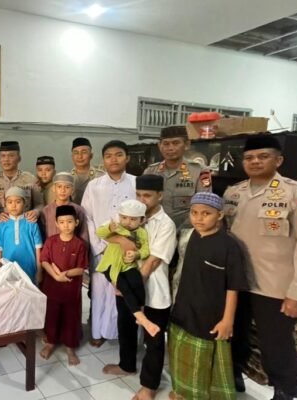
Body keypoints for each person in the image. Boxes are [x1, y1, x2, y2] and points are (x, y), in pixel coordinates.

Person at [223, 134, 297, 400]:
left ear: (278, 160)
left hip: (275, 284)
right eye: (249, 157)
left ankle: (286, 389)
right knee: (235, 333)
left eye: (263, 156)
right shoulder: (234, 193)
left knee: (276, 341)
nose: (255, 161)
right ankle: (234, 374)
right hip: (237, 280)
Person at [103, 175, 177, 400]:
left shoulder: (165, 224)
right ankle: (126, 365)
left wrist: (131, 287)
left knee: (153, 339)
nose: (141, 200)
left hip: (153, 290)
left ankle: (149, 386)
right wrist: (118, 280)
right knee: (125, 326)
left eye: (147, 195)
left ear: (160, 196)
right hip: (124, 284)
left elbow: (153, 261)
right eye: (138, 195)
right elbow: (110, 239)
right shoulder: (130, 217)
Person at [169, 193, 248, 400]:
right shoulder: (188, 237)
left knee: (202, 363)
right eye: (194, 213)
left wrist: (227, 320)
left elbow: (233, 287)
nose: (199, 218)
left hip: (210, 317)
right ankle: (181, 392)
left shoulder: (229, 246)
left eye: (206, 213)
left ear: (219, 215)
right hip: (183, 308)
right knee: (180, 356)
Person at [82, 140, 136, 345]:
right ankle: (99, 333)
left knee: (123, 292)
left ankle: (122, 334)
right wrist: (98, 246)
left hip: (128, 248)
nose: (113, 159)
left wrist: (130, 244)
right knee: (100, 292)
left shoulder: (136, 183)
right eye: (108, 156)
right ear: (103, 160)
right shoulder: (94, 186)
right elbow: (87, 218)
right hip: (101, 249)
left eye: (118, 155)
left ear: (127, 158)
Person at [95, 200, 158, 337]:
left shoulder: (141, 233)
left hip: (128, 266)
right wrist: (110, 228)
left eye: (133, 219)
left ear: (142, 220)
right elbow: (99, 232)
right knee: (125, 288)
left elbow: (146, 249)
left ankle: (140, 310)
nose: (127, 222)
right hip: (111, 267)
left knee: (137, 282)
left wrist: (137, 254)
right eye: (124, 217)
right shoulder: (116, 227)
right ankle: (142, 318)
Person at [39, 205, 88, 366]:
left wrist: (64, 274)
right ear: (56, 223)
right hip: (52, 288)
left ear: (76, 222)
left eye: (69, 221)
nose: (66, 225)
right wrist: (55, 276)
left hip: (71, 290)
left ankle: (70, 347)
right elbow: (44, 261)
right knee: (51, 315)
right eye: (62, 222)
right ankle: (50, 342)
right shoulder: (51, 241)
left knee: (71, 317)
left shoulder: (79, 244)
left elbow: (81, 268)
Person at [144, 125, 211, 229]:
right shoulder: (150, 171)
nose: (170, 148)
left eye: (175, 143)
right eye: (166, 144)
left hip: (186, 229)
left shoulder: (199, 171)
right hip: (154, 229)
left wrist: (180, 231)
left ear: (187, 144)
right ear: (159, 146)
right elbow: (142, 202)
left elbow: (203, 205)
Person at [0, 187, 43, 283]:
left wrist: (39, 271)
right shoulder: (2, 225)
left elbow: (38, 249)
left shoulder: (32, 223)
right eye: (10, 202)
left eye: (18, 202)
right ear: (5, 204)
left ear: (25, 203)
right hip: (7, 269)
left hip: (29, 269)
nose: (14, 205)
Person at [0, 141, 43, 222]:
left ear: (19, 158)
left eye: (11, 156)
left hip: (26, 224)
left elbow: (40, 204)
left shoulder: (30, 179)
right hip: (2, 226)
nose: (6, 159)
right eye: (3, 156)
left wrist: (36, 212)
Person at [39, 172, 89, 245]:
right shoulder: (46, 211)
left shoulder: (79, 210)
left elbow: (84, 235)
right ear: (53, 188)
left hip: (73, 249)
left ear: (72, 190)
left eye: (67, 187)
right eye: (59, 187)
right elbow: (42, 235)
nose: (63, 190)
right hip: (51, 249)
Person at [70, 137, 105, 205]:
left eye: (84, 152)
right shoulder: (67, 178)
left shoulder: (101, 176)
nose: (80, 156)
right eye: (76, 153)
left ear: (91, 155)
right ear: (72, 157)